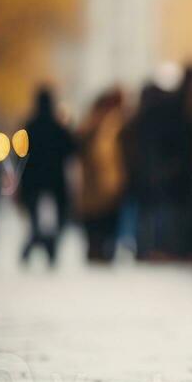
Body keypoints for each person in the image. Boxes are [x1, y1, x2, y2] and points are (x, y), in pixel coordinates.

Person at [18, 87, 75, 266]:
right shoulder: (58, 128)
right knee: (60, 219)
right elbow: (71, 150)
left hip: (32, 180)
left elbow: (19, 155)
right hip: (55, 180)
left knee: (35, 221)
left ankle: (35, 244)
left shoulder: (29, 127)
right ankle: (50, 247)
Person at [76, 88, 128, 263]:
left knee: (95, 242)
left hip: (92, 191)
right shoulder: (112, 124)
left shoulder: (88, 124)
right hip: (107, 188)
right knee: (105, 238)